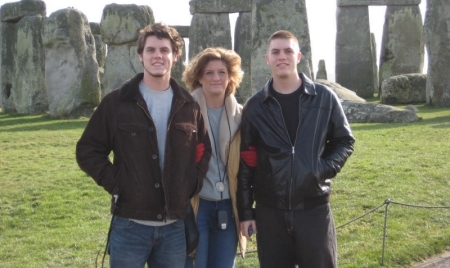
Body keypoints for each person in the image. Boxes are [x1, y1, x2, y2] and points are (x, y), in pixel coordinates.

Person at [76, 23, 212, 268]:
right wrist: (116, 182)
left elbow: (204, 151)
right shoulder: (117, 102)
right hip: (130, 224)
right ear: (141, 56)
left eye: (164, 50)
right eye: (150, 50)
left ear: (175, 56)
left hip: (174, 227)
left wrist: (192, 184)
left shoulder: (188, 105)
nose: (157, 55)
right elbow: (88, 150)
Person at [237, 30, 355, 268]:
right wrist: (247, 212)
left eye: (288, 51)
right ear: (267, 58)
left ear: (298, 56)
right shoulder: (255, 106)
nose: (283, 57)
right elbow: (247, 162)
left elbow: (344, 141)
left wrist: (321, 168)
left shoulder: (324, 98)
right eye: (276, 52)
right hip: (270, 211)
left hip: (313, 207)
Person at [182, 47, 247, 268]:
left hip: (229, 206)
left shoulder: (242, 116)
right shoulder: (183, 114)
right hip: (196, 204)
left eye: (222, 72)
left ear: (230, 76)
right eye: (209, 72)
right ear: (199, 77)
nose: (216, 78)